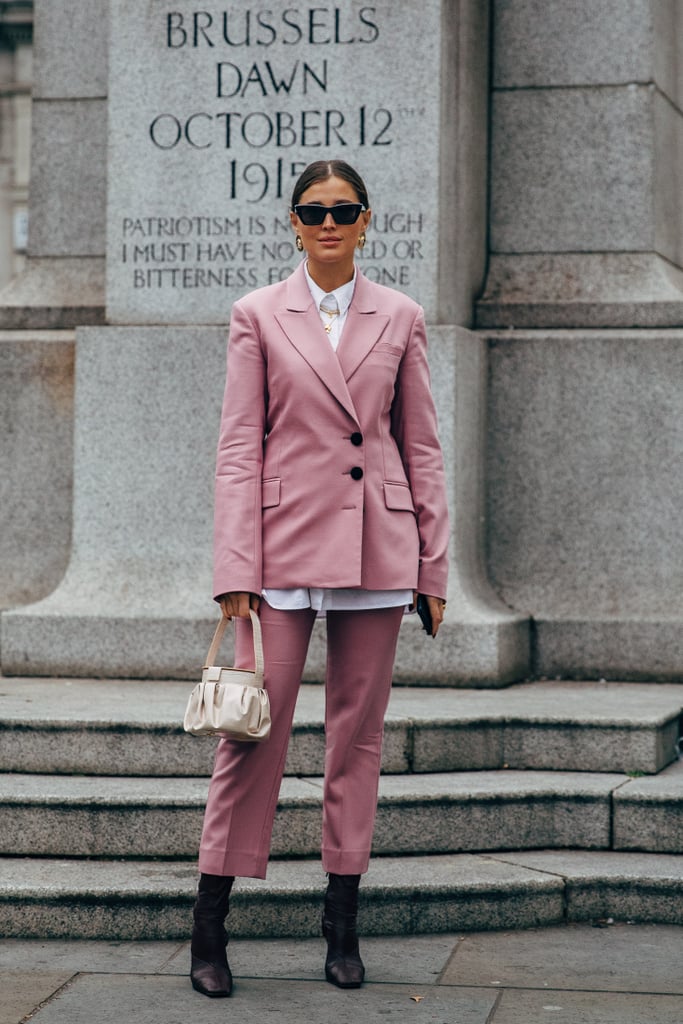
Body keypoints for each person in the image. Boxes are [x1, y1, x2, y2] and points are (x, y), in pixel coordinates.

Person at [190, 159, 449, 999]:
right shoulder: (257, 314)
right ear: (293, 223)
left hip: (379, 549)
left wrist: (432, 564)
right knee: (250, 733)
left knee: (357, 741)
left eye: (343, 210)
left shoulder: (401, 315)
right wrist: (235, 567)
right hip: (281, 551)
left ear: (366, 221)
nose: (327, 222)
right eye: (312, 210)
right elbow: (238, 446)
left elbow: (420, 449)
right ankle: (210, 927)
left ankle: (341, 924)